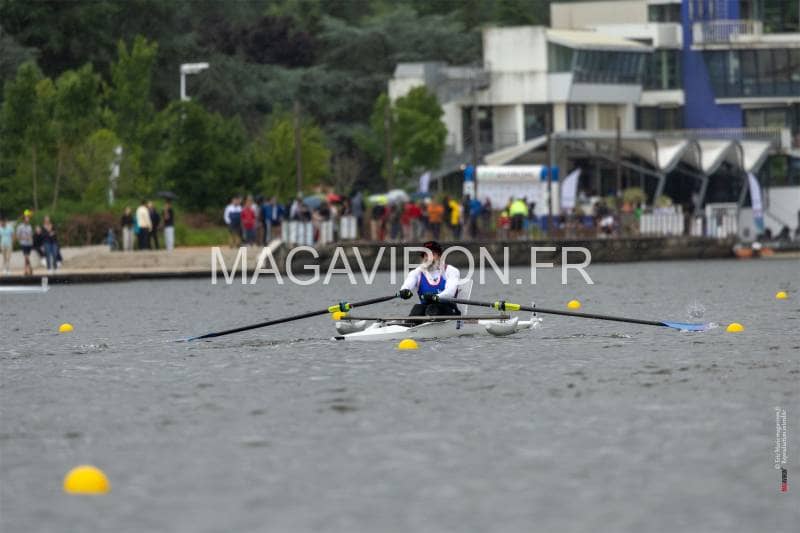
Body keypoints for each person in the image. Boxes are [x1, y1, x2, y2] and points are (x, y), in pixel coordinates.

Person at [397, 241, 461, 317]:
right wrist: (404, 291)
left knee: (432, 308)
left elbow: (450, 293)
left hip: (448, 308)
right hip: (427, 309)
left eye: (432, 254)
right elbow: (407, 285)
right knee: (417, 309)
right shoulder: (417, 272)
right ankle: (409, 323)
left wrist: (435, 297)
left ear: (439, 256)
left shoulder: (451, 271)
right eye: (426, 255)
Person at [15, 210, 34, 275]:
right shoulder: (20, 226)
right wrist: (24, 238)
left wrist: (30, 238)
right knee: (26, 256)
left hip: (29, 243)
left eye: (28, 218)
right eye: (26, 218)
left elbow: (31, 235)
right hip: (23, 243)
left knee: (26, 257)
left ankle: (25, 270)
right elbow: (17, 236)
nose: (28, 219)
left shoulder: (29, 226)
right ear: (24, 220)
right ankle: (30, 267)